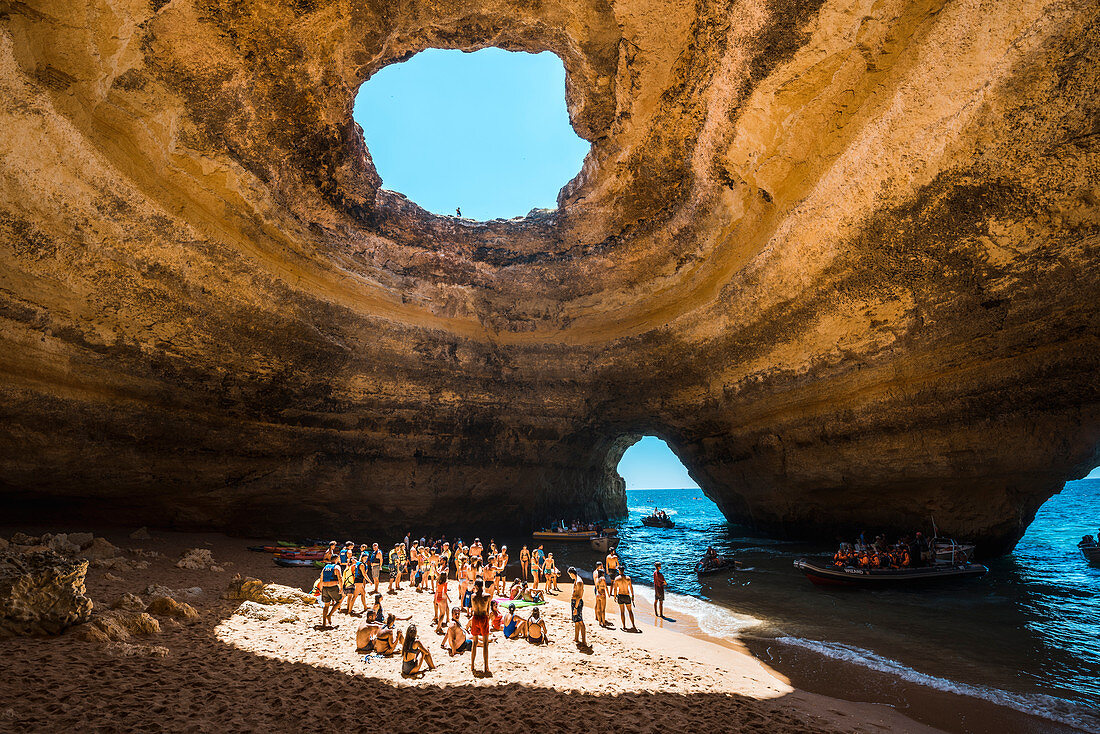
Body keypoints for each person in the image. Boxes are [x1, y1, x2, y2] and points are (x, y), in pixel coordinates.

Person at [469, 579, 492, 675]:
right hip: (483, 617)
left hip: (475, 617)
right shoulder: (487, 596)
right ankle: (486, 666)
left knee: (474, 643)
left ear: (476, 586)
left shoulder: (473, 596)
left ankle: (472, 665)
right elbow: (488, 610)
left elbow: (473, 609)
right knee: (485, 644)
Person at [318, 559, 343, 628]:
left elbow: (321, 578)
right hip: (333, 587)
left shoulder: (325, 567)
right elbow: (340, 577)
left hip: (325, 588)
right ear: (336, 559)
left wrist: (321, 588)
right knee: (339, 601)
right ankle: (329, 615)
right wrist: (341, 588)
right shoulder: (337, 567)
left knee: (326, 606)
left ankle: (323, 623)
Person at [568, 567, 587, 647]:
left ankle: (584, 641)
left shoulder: (579, 582)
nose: (570, 576)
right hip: (574, 602)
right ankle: (576, 638)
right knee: (576, 621)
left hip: (577, 603)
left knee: (580, 621)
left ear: (572, 573)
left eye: (570, 575)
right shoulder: (576, 580)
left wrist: (575, 608)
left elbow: (579, 596)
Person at [594, 563, 611, 628]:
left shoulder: (596, 579)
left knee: (598, 608)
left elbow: (597, 587)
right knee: (603, 610)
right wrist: (608, 593)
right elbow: (606, 587)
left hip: (597, 594)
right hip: (602, 594)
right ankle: (603, 623)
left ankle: (599, 622)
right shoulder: (602, 579)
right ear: (602, 573)